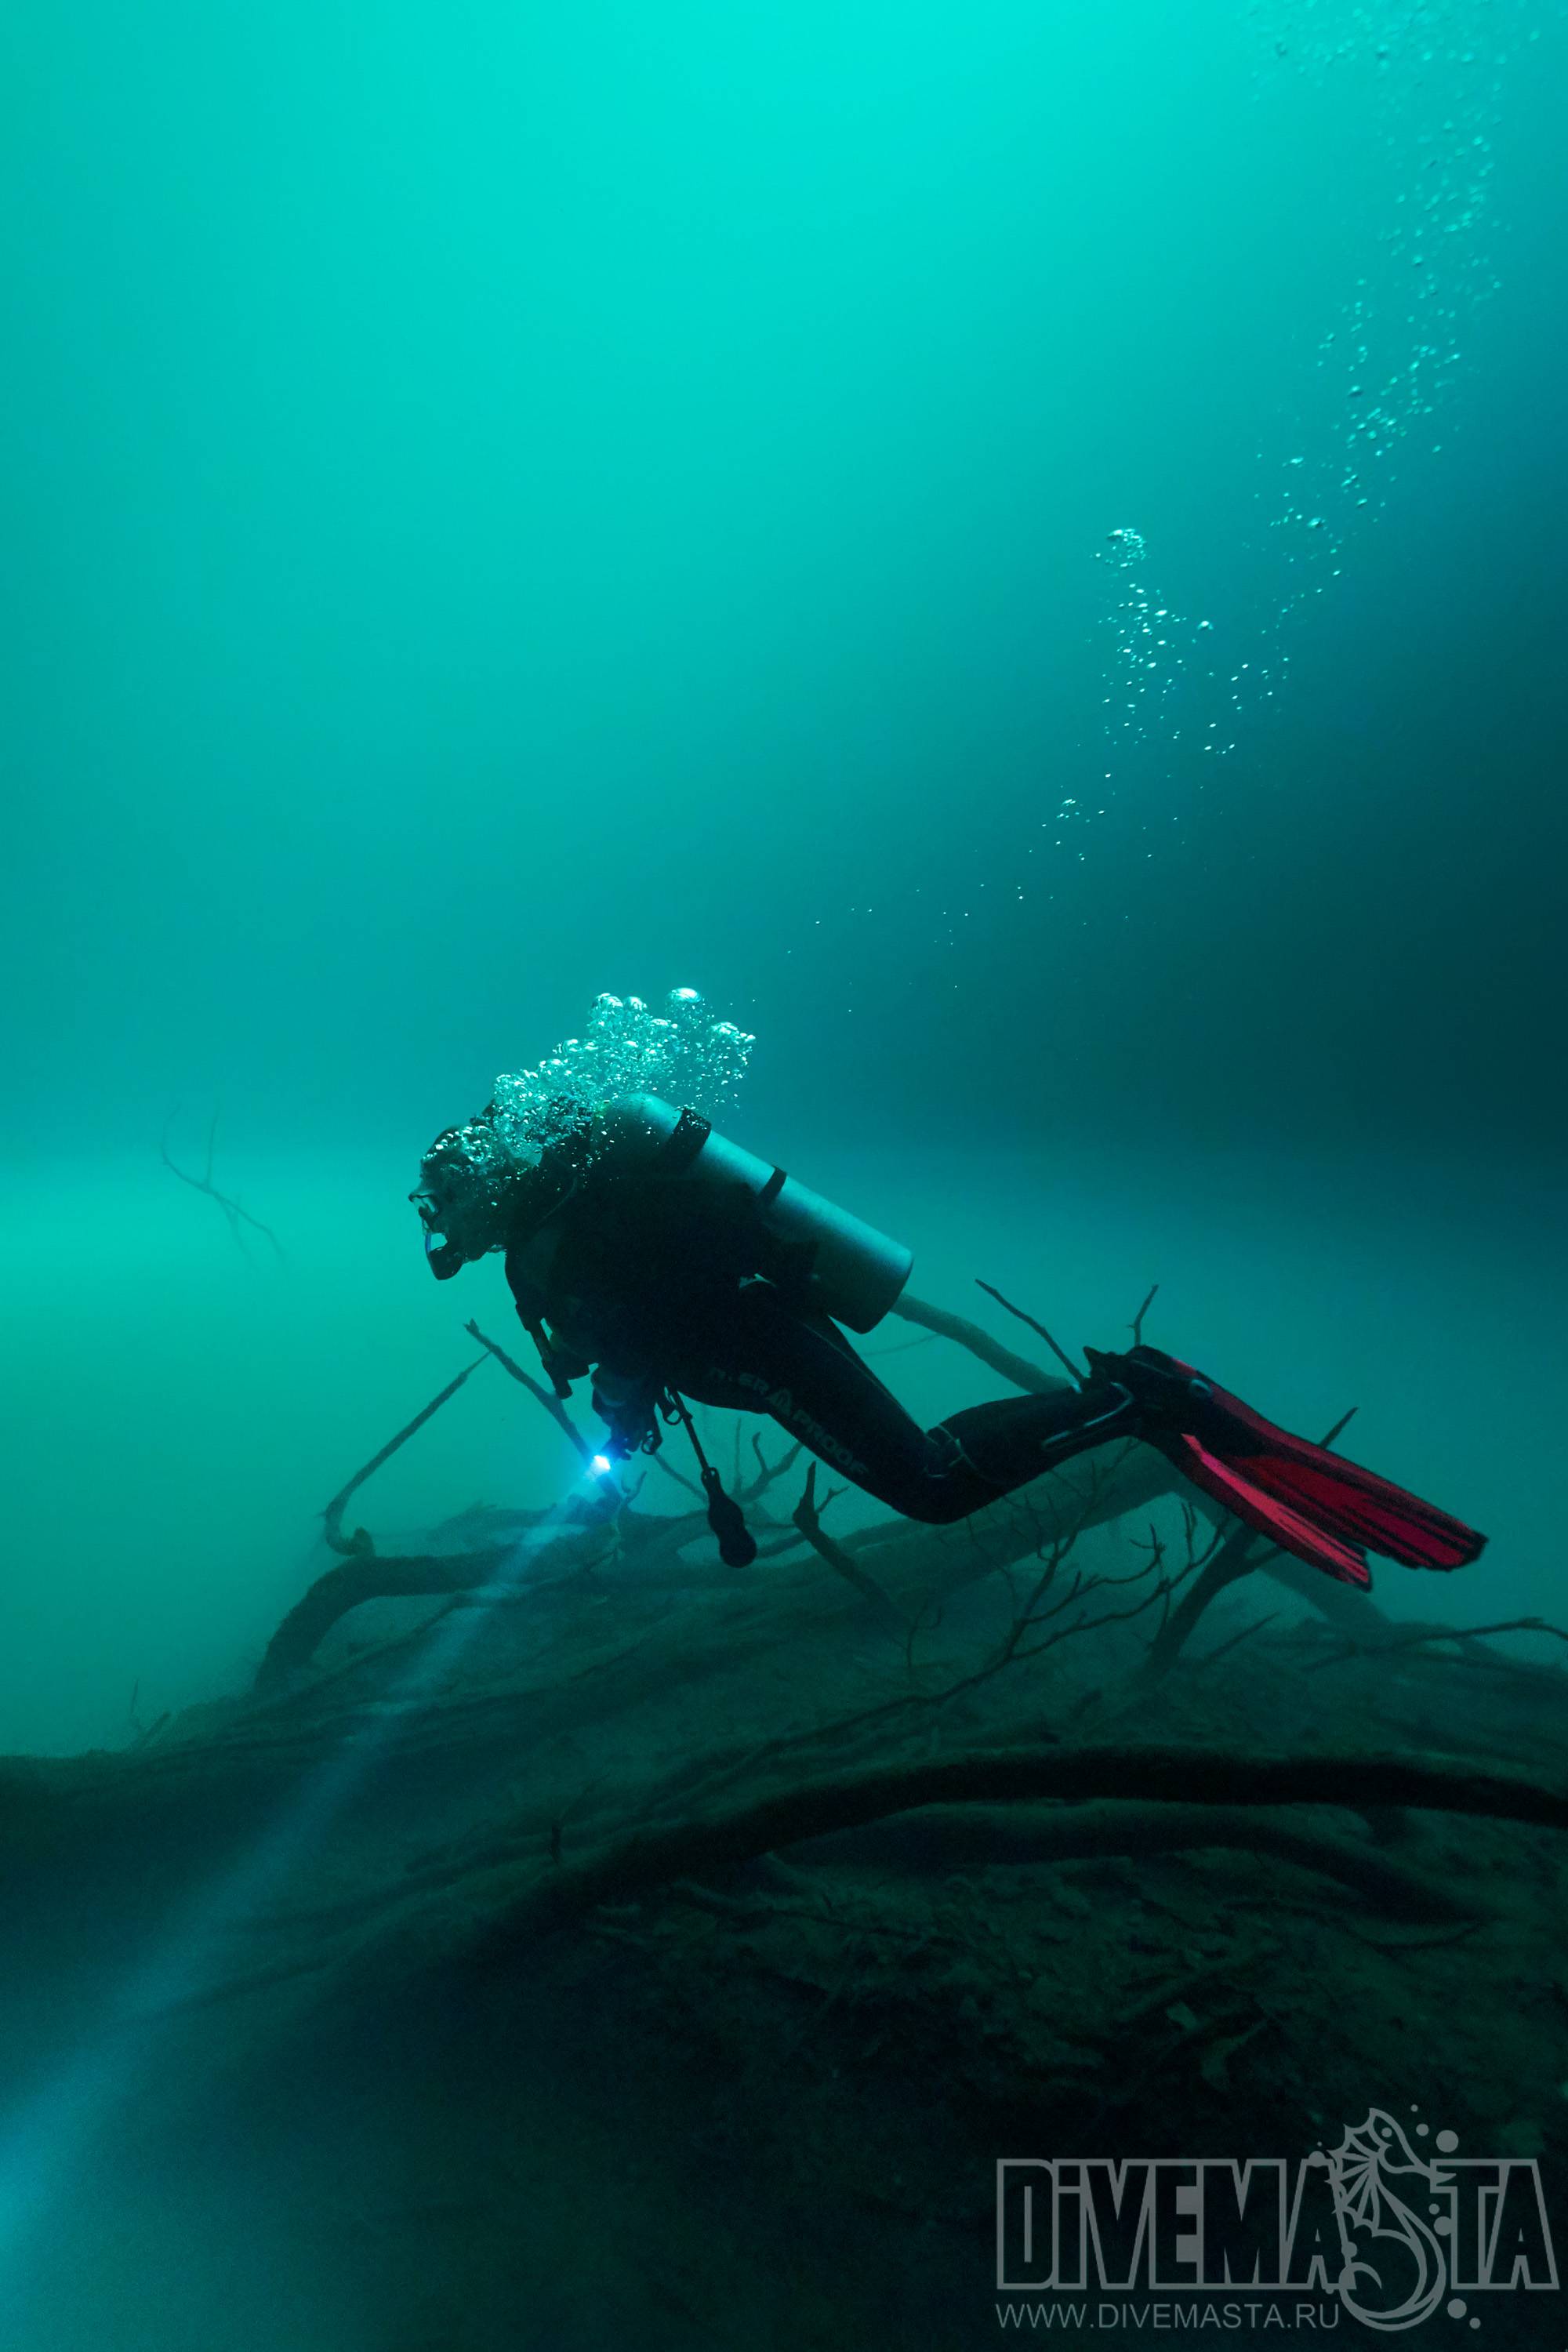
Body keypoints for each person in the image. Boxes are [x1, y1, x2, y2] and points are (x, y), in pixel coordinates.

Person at [410, 1084, 1484, 1588]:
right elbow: (635, 1327)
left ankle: (1147, 1399)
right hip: (763, 1335)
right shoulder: (554, 1235)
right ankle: (1141, 1400)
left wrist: (620, 1413)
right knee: (924, 1470)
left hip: (761, 1346)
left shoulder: (564, 1236)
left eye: (444, 1200)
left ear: (488, 1183)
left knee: (928, 1483)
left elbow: (637, 1332)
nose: (442, 1222)